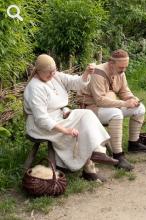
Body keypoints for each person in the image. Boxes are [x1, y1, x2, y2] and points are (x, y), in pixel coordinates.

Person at [24, 54, 118, 182]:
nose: (53, 74)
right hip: (40, 126)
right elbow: (41, 119)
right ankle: (86, 169)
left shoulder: (55, 75)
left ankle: (98, 152)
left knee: (87, 114)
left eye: (54, 71)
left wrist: (86, 73)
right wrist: (65, 130)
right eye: (49, 73)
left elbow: (75, 83)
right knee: (79, 127)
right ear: (39, 71)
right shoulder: (35, 88)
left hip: (60, 116)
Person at [77, 49, 146, 171]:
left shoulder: (120, 72)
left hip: (107, 106)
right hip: (90, 110)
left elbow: (124, 90)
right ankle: (118, 156)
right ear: (111, 63)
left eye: (125, 67)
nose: (123, 70)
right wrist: (124, 103)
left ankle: (134, 144)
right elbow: (100, 101)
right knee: (116, 113)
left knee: (139, 109)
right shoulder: (98, 73)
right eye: (121, 67)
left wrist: (132, 99)